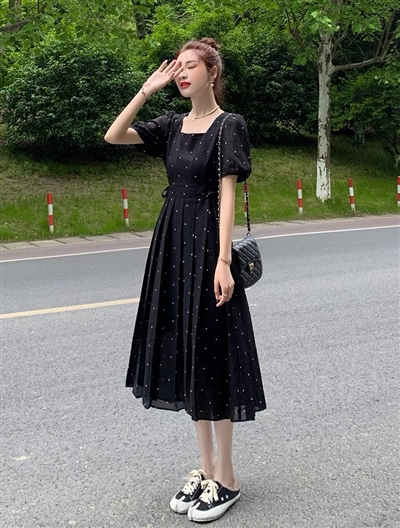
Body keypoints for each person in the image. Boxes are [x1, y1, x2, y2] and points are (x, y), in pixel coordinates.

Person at [105, 37, 266, 523]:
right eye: (177, 67)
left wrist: (223, 261)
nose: (181, 73)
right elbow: (114, 135)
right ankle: (205, 468)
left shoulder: (228, 125)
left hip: (207, 248)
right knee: (187, 354)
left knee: (213, 355)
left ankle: (227, 478)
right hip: (172, 246)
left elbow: (227, 194)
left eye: (190, 66)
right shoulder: (172, 125)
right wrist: (146, 89)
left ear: (211, 73)